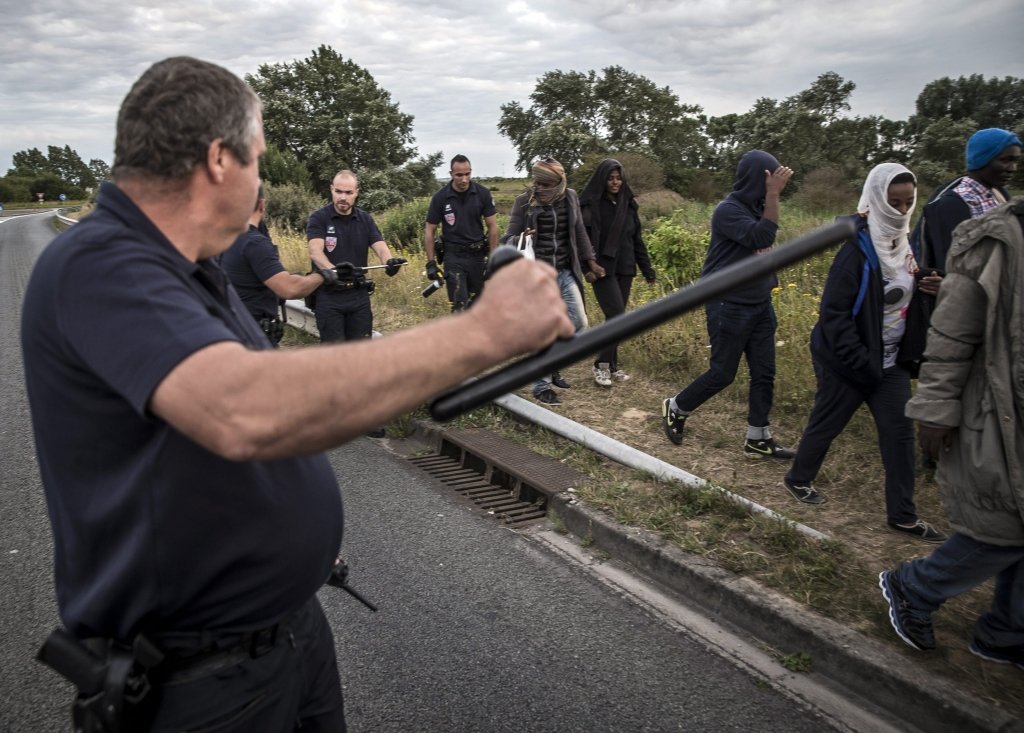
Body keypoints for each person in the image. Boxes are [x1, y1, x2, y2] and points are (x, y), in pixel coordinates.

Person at [20, 56, 574, 732]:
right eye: (258, 161)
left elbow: (252, 410)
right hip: (204, 679)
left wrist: (293, 537)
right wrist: (485, 331)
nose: (261, 183)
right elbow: (242, 408)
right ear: (221, 159)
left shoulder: (193, 269)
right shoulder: (99, 262)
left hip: (284, 632)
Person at [879, 197, 1024, 669]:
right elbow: (953, 333)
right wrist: (936, 408)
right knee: (1001, 524)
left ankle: (1006, 630)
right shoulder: (995, 240)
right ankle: (916, 586)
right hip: (998, 407)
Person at [781, 163, 945, 541]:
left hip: (891, 362)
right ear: (874, 201)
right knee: (827, 422)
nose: (902, 211)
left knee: (900, 435)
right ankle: (797, 478)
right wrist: (860, 362)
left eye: (908, 203)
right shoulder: (855, 250)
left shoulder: (907, 243)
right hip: (848, 361)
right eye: (894, 202)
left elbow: (900, 291)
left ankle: (903, 515)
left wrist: (929, 283)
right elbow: (833, 315)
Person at [660, 150, 795, 459]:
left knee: (765, 372)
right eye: (771, 178)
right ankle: (677, 406)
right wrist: (773, 196)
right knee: (723, 373)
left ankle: (757, 437)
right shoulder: (728, 210)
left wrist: (770, 198)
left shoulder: (759, 207)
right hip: (728, 304)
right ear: (757, 178)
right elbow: (762, 236)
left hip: (759, 304)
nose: (776, 185)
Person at [503, 157, 606, 405]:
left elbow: (579, 231)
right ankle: (541, 386)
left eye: (546, 183)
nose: (540, 187)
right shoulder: (524, 202)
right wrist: (522, 237)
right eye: (537, 181)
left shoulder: (570, 197)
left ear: (558, 182)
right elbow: (507, 239)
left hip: (565, 270)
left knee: (579, 322)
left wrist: (590, 261)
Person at [579, 158, 656, 387]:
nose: (615, 182)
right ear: (602, 180)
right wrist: (587, 268)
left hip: (626, 267)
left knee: (618, 319)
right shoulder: (591, 205)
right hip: (602, 270)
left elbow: (637, 240)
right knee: (616, 317)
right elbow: (581, 240)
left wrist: (647, 269)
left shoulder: (628, 204)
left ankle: (612, 366)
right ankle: (601, 365)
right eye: (611, 178)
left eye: (618, 178)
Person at [306, 169, 407, 343]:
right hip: (329, 296)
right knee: (334, 355)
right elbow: (315, 251)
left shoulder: (365, 219)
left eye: (348, 192)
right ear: (331, 189)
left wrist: (389, 261)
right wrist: (333, 271)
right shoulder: (319, 218)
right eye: (338, 191)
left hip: (358, 296)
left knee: (361, 353)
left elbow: (380, 245)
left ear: (356, 193)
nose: (343, 197)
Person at [220, 185, 325, 345]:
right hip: (252, 334)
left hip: (229, 329)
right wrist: (323, 275)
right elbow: (290, 288)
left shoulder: (220, 239)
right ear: (262, 205)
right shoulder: (255, 242)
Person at [915, 128, 1021, 272]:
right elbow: (951, 265)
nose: (1012, 168)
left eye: (1015, 161)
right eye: (1005, 160)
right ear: (982, 159)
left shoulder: (1000, 195)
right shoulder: (954, 204)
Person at [424, 154, 499, 311]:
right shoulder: (440, 198)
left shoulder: (482, 193)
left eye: (467, 174)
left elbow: (492, 226)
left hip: (477, 257)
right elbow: (430, 230)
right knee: (460, 305)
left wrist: (492, 259)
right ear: (451, 174)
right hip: (453, 257)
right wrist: (431, 263)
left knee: (477, 305)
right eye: (459, 175)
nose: (464, 179)